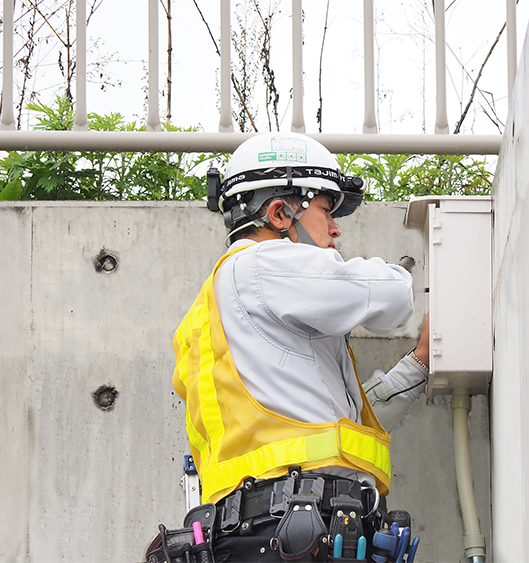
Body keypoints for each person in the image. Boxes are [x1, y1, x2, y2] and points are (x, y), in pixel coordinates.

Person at [171, 132, 429, 562]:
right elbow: (391, 297)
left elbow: (331, 432)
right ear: (279, 212)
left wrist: (417, 365)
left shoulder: (221, 312)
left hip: (267, 531)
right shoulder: (258, 266)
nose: (335, 228)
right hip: (293, 527)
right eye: (326, 210)